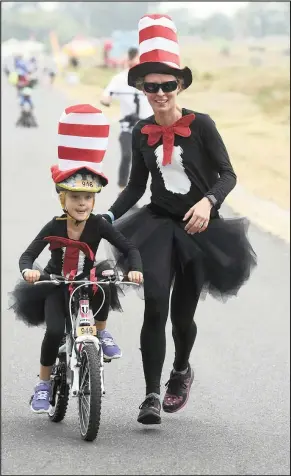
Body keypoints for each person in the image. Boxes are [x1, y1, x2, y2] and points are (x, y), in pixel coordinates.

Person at [102, 14, 257, 425]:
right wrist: (107, 217)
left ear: (180, 86)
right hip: (155, 225)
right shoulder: (140, 131)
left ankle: (181, 370)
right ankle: (151, 395)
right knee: (154, 305)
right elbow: (135, 187)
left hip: (198, 229)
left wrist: (208, 202)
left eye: (167, 85)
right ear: (142, 90)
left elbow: (229, 175)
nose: (159, 93)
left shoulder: (202, 125)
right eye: (151, 87)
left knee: (181, 317)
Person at [10, 104, 143, 414]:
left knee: (107, 275)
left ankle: (101, 330)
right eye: (75, 197)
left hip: (87, 284)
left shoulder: (99, 224)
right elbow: (29, 255)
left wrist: (135, 268)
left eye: (87, 198)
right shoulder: (54, 225)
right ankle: (43, 383)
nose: (82, 203)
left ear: (94, 201)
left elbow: (129, 247)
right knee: (55, 331)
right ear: (63, 199)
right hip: (57, 285)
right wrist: (30, 270)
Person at [100, 47, 153, 192]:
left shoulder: (152, 78)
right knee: (126, 155)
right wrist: (106, 99)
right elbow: (106, 95)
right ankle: (123, 190)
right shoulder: (119, 79)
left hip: (150, 127)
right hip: (128, 126)